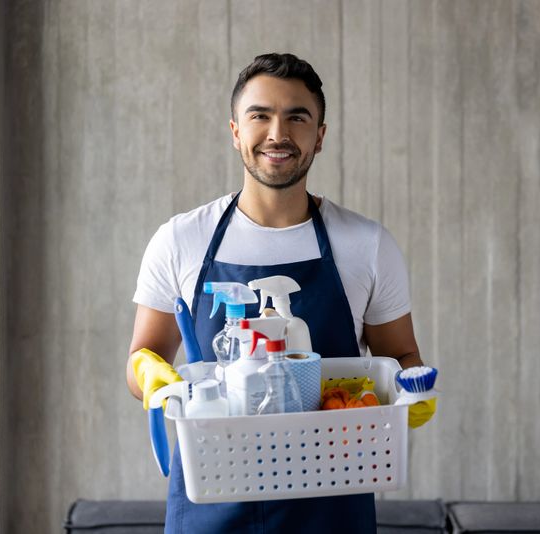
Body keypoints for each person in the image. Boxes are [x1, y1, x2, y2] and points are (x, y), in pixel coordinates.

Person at [126, 52, 436, 534]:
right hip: (211, 506)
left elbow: (400, 355)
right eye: (260, 115)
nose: (278, 133)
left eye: (297, 116)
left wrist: (413, 392)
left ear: (320, 135)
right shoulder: (181, 240)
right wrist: (152, 375)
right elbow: (141, 357)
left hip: (332, 508)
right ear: (235, 131)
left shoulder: (367, 245)